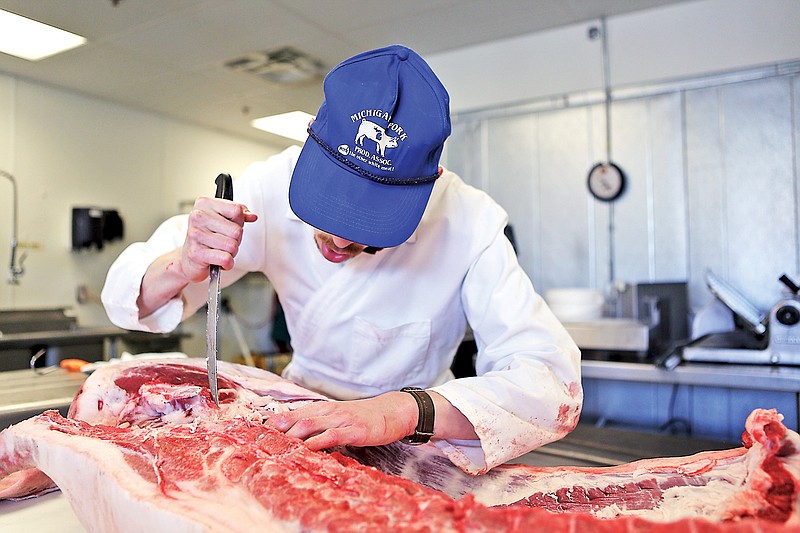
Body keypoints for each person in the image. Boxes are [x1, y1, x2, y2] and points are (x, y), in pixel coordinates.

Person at [101, 45, 581, 474]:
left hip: (417, 445)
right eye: (325, 207)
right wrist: (185, 262)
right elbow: (125, 294)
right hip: (294, 428)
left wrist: (398, 413)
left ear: (427, 182)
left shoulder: (468, 222)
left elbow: (549, 380)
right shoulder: (269, 184)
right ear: (311, 141)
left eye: (369, 227)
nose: (336, 240)